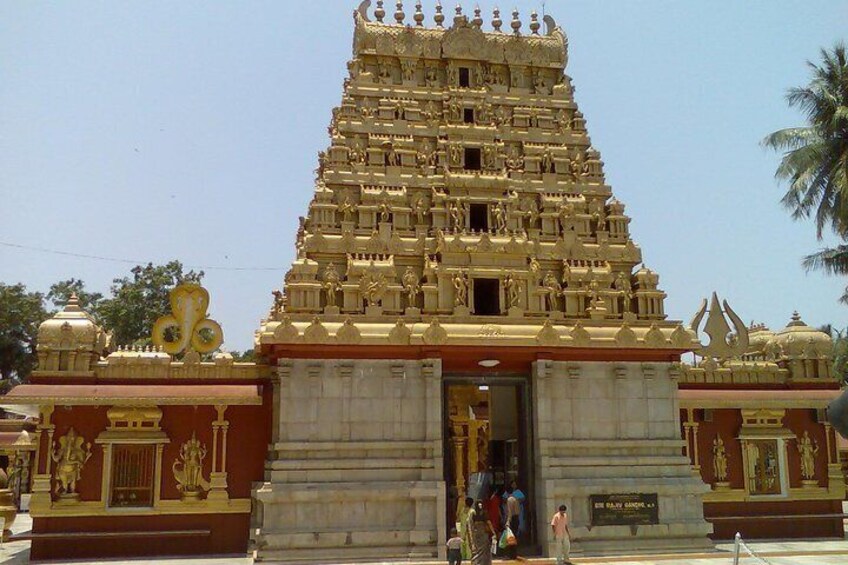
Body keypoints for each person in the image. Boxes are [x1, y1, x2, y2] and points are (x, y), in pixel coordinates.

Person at [468, 499, 496, 565]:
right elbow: (488, 522)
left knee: (478, 550)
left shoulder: (473, 513)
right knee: (484, 549)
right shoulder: (484, 512)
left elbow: (471, 524)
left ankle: (476, 562)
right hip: (482, 532)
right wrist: (493, 532)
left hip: (476, 532)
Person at [503, 487, 520, 560]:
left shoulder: (509, 500)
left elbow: (509, 512)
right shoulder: (515, 499)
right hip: (516, 518)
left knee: (510, 537)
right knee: (514, 536)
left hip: (512, 519)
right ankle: (514, 554)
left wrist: (507, 522)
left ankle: (511, 554)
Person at [458, 496, 474, 560]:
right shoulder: (472, 511)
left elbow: (458, 520)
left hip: (462, 531)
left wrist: (458, 531)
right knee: (469, 547)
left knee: (462, 548)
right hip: (469, 531)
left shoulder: (462, 510)